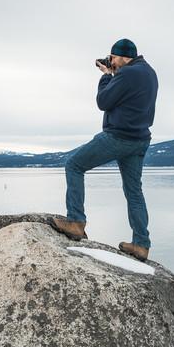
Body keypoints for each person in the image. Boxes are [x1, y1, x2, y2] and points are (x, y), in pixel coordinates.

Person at [51, 38, 158, 262]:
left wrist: (105, 76)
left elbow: (103, 101)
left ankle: (76, 222)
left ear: (121, 57)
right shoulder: (149, 72)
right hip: (140, 139)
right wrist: (114, 75)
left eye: (112, 58)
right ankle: (141, 244)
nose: (111, 62)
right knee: (134, 192)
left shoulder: (127, 74)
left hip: (119, 136)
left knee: (74, 164)